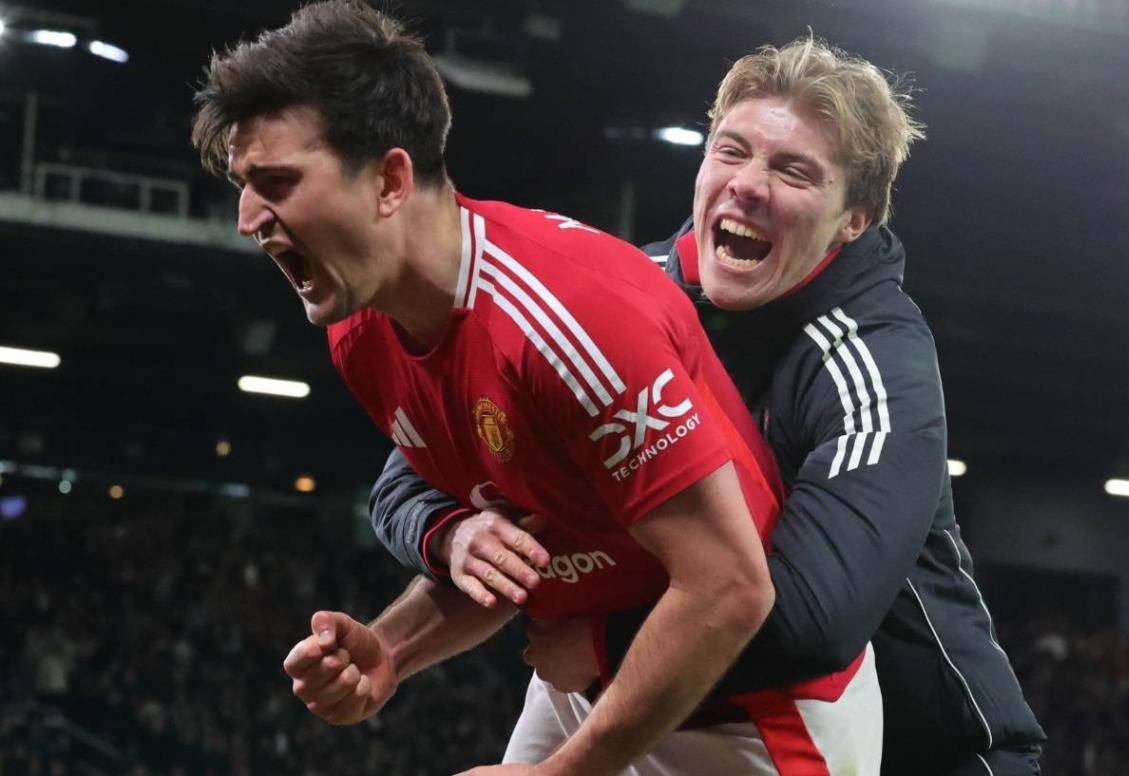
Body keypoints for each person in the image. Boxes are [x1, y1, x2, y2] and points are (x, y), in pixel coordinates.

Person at [191, 3, 881, 774]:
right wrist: (392, 648)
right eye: (245, 185)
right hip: (595, 680)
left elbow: (728, 588)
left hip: (753, 712)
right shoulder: (360, 331)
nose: (248, 217)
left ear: (390, 180)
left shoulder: (569, 322)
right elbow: (534, 540)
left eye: (277, 182)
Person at [371, 37, 1048, 775]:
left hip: (924, 752)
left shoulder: (878, 363)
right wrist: (453, 534)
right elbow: (409, 476)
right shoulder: (617, 297)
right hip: (682, 708)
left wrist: (603, 644)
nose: (748, 185)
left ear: (855, 219)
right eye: (732, 151)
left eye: (793, 170)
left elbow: (815, 617)